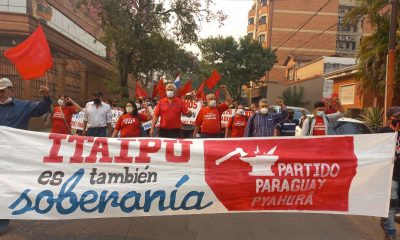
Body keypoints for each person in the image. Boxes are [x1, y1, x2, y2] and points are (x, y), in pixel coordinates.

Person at [0, 77, 52, 235]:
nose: (0, 94)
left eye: (3, 91)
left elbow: (41, 109)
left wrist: (47, 97)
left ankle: (2, 220)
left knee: (5, 188)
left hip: (12, 158)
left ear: (11, 91)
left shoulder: (23, 106)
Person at [377, 106, 400, 240]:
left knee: (396, 205)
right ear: (390, 118)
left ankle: (385, 220)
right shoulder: (382, 133)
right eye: (396, 117)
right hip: (390, 175)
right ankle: (391, 233)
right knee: (392, 202)